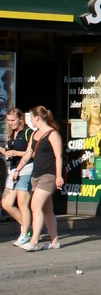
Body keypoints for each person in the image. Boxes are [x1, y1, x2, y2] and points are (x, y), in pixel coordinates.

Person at [10, 106, 63, 251]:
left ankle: (33, 242)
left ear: (37, 118)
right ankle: (54, 241)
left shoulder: (52, 134)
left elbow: (58, 157)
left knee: (35, 206)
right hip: (36, 175)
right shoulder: (34, 134)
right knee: (47, 208)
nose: (30, 120)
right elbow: (28, 154)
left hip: (48, 175)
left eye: (31, 117)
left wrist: (58, 176)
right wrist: (18, 169)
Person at [1, 108, 32, 245]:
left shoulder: (28, 132)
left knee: (22, 203)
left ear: (21, 119)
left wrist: (16, 153)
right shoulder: (12, 134)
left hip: (26, 169)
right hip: (13, 170)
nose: (10, 123)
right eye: (8, 120)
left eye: (13, 120)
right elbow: (8, 153)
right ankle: (28, 227)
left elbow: (33, 153)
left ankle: (25, 233)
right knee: (6, 203)